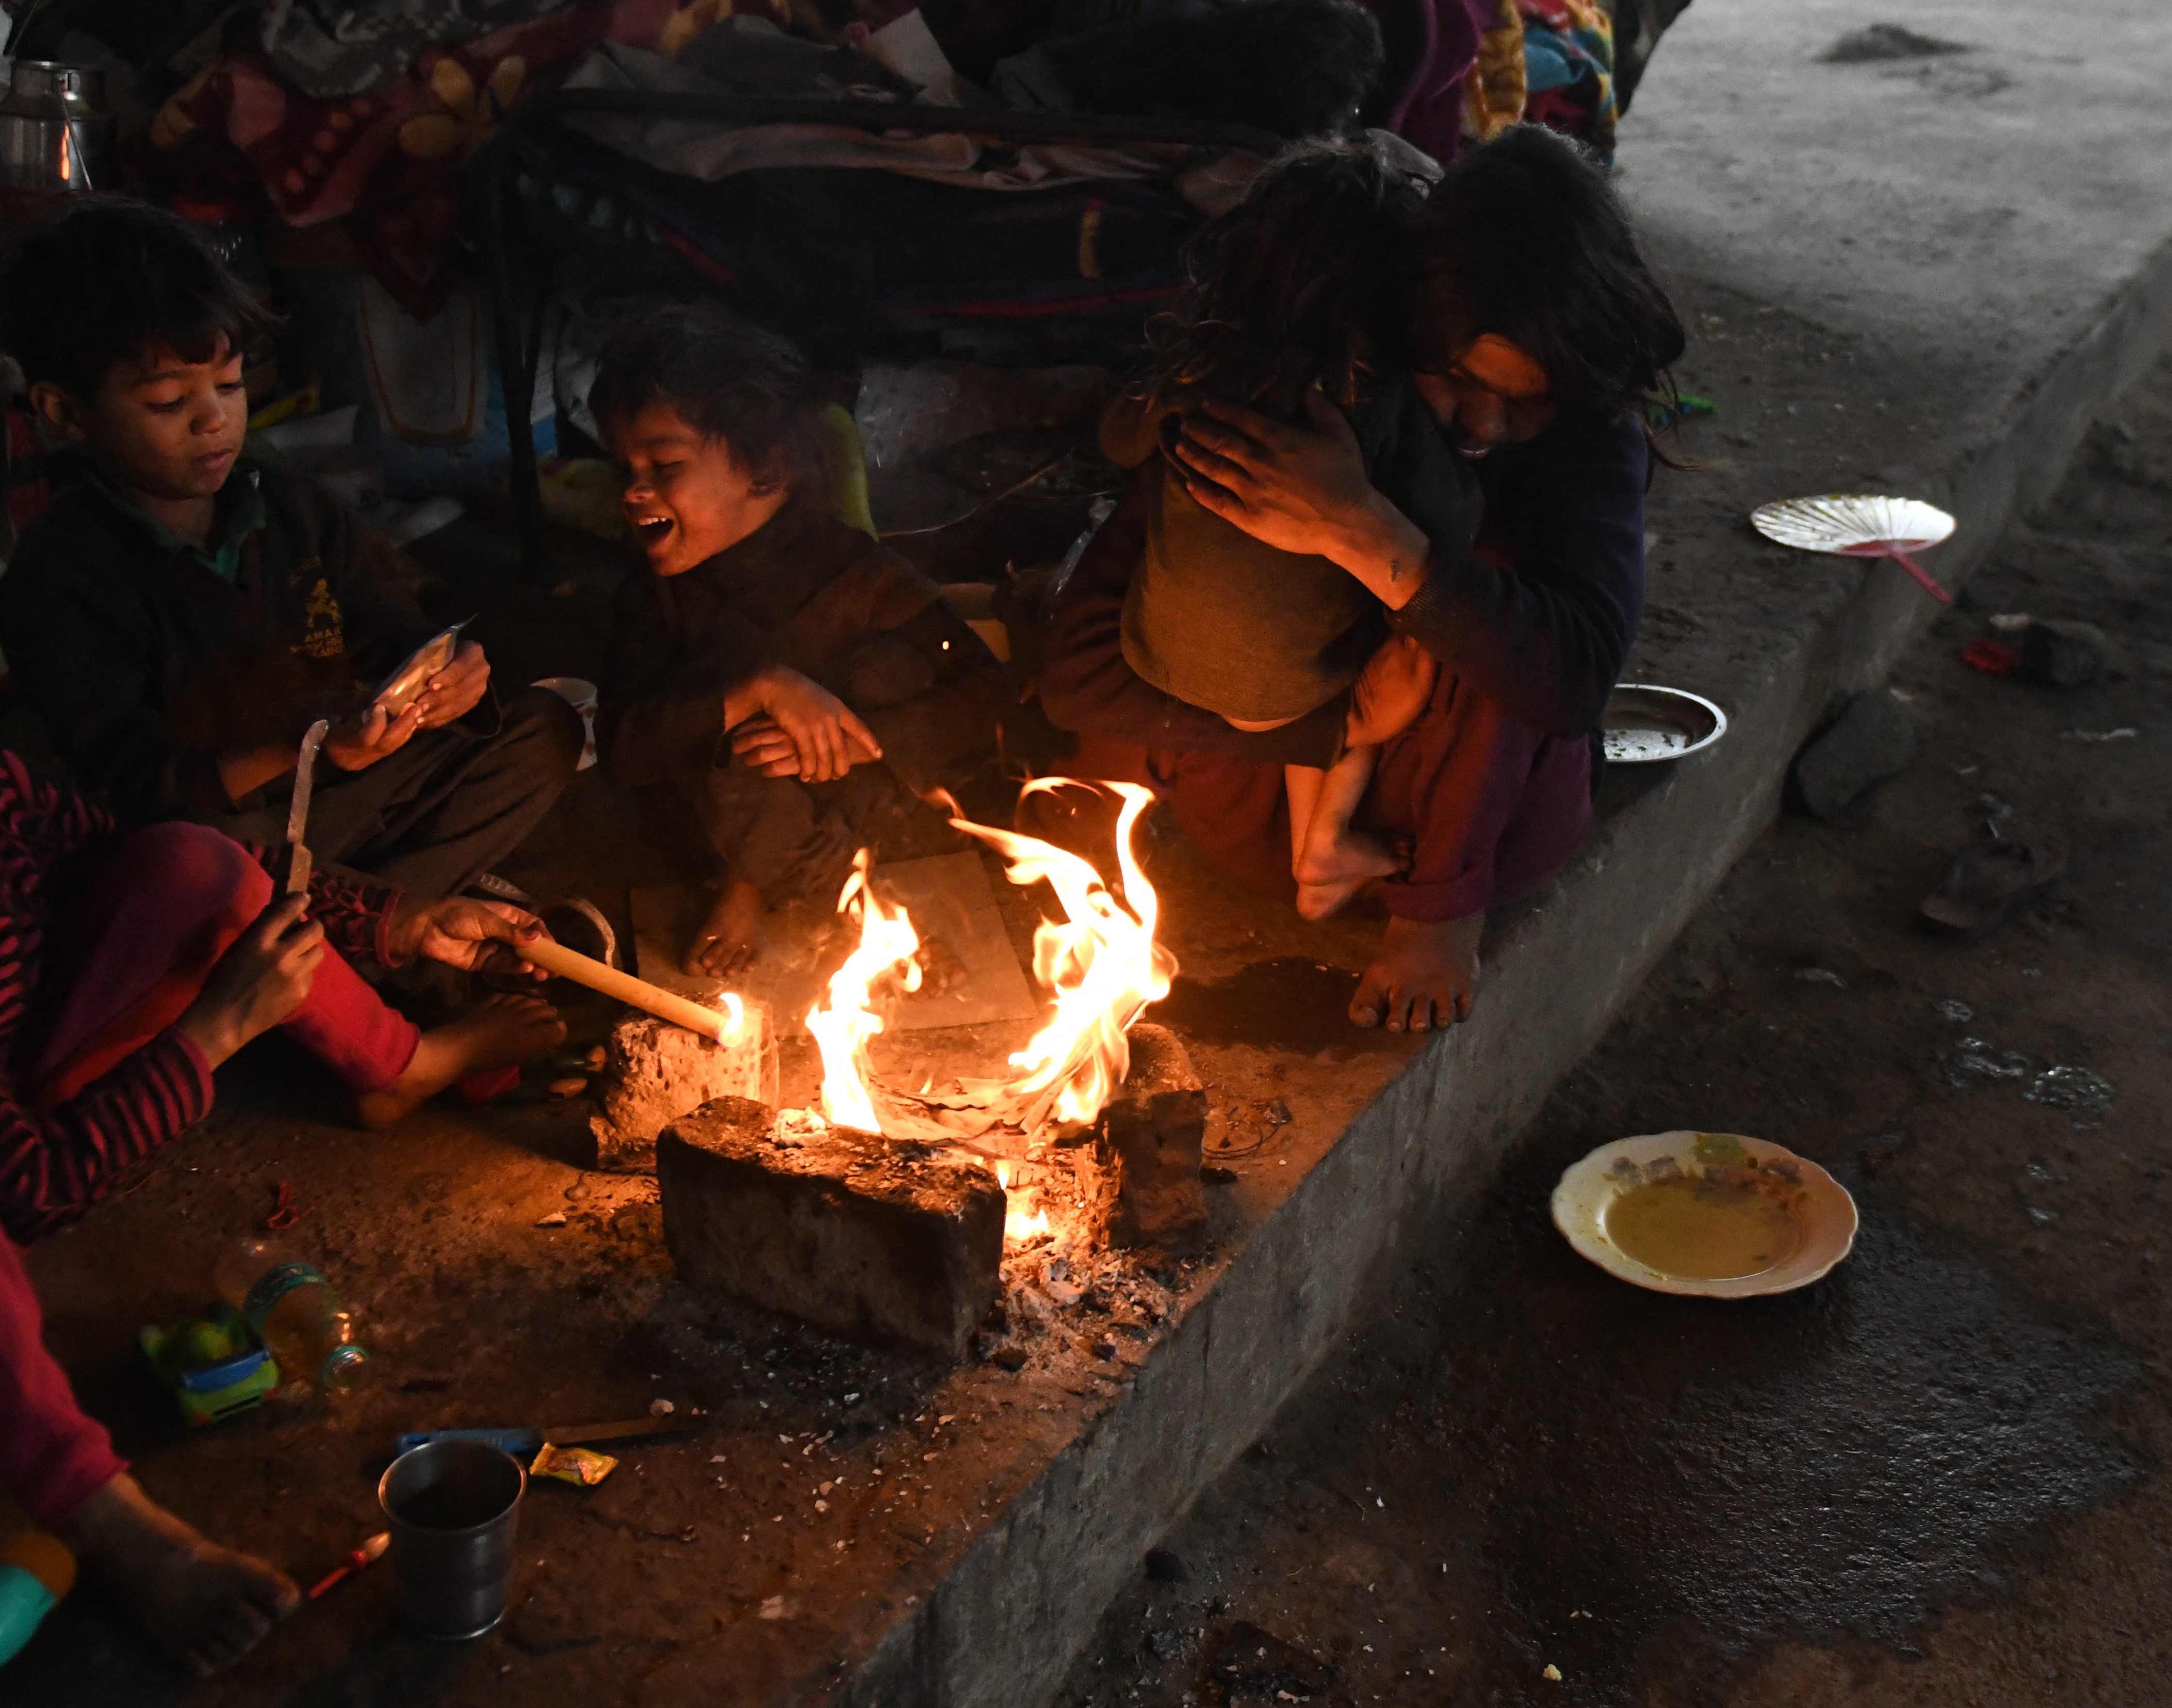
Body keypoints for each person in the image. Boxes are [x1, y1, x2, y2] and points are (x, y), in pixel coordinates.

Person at [0, 465, 561, 1671]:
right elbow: (30, 1187)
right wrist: (216, 1032)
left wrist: (391, 922)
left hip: (1, 1082)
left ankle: (397, 1061)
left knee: (188, 860)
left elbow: (134, 857)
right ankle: (110, 1518)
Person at [1045, 124, 1684, 1033]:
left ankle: (1436, 918)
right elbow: (1078, 674)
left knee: (1498, 599)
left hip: (1461, 824)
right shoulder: (1288, 408)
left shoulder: (1587, 435)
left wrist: (1359, 530)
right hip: (1254, 796)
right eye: (1462, 381)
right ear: (1412, 324)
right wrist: (1332, 721)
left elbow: (1571, 681)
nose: (1493, 424)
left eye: (1531, 397)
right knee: (1212, 597)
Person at [0, 201, 582, 916]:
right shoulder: (62, 576)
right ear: (63, 412)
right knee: (188, 868)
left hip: (345, 796)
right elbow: (132, 784)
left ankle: (367, 928)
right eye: (169, 402)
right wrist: (310, 747)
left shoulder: (294, 509)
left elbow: (389, 626)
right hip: (228, 834)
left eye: (231, 386)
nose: (215, 421)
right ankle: (390, 933)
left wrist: (444, 674)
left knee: (544, 729)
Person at [1094, 138, 1479, 918]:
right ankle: (1326, 837)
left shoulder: (1200, 364)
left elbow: (1117, 442)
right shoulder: (1364, 402)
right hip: (1292, 685)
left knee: (1279, 613)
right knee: (1395, 613)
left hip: (1156, 653)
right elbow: (1449, 522)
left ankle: (1317, 846)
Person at [592, 304, 1012, 972]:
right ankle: (799, 898)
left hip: (867, 809)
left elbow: (988, 692)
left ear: (764, 469)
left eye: (664, 467)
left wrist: (852, 742)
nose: (634, 494)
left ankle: (863, 894)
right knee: (732, 739)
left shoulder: (853, 569)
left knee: (889, 672)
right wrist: (756, 692)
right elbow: (618, 746)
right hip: (723, 823)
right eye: (625, 471)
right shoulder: (653, 595)